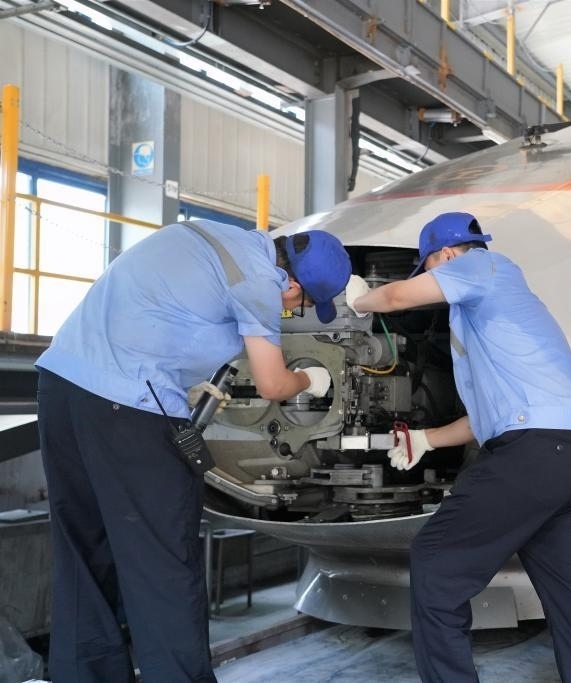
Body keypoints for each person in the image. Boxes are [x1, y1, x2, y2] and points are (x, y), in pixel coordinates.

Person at [35, 219, 351, 682]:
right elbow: (273, 383)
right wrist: (312, 379)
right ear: (292, 285)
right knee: (162, 564)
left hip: (61, 388)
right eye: (299, 305)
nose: (290, 311)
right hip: (128, 406)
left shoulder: (210, 234)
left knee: (83, 551)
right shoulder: (261, 280)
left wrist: (180, 381)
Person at [345, 212, 571, 683]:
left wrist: (358, 300)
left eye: (428, 268)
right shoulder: (493, 320)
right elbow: (487, 421)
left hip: (539, 453)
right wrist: (425, 439)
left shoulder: (485, 266)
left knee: (435, 563)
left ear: (445, 256)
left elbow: (395, 297)